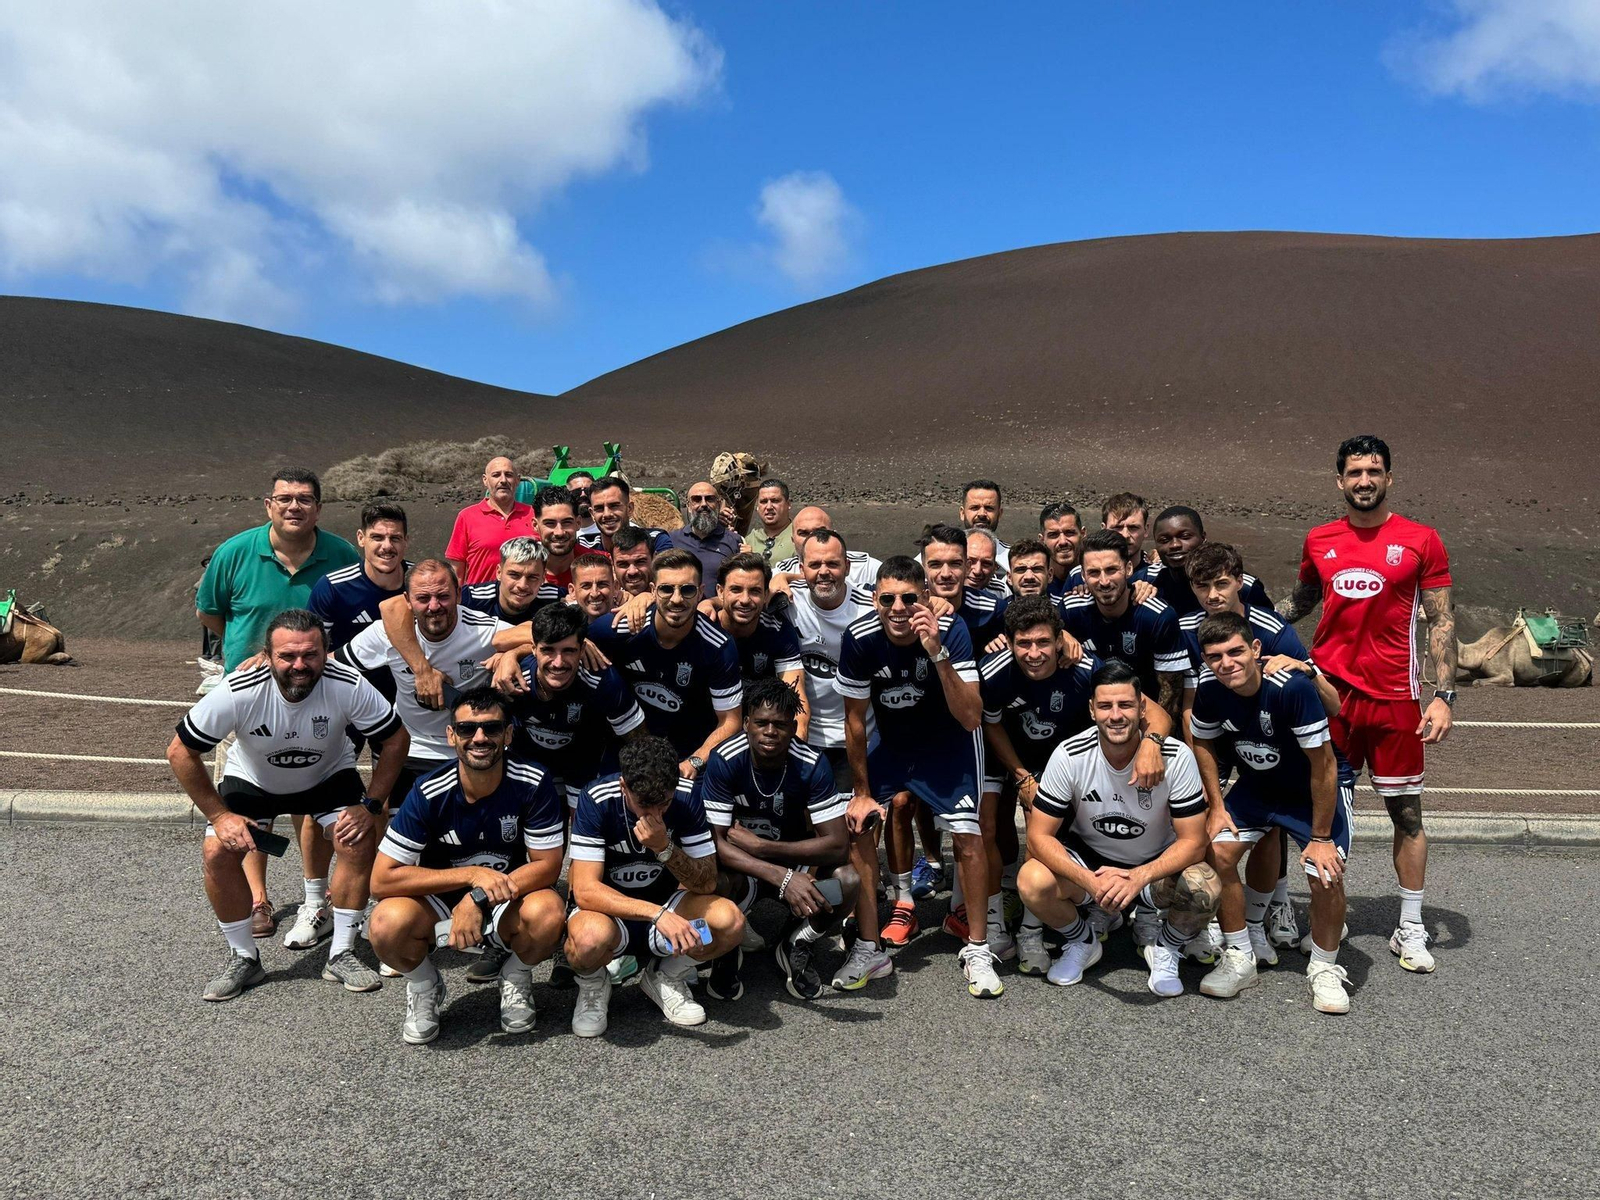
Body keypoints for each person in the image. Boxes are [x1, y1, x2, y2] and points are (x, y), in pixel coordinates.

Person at [1277, 434, 1455, 974]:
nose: (1364, 481)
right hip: (1330, 696)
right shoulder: (1319, 538)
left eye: (1373, 471)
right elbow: (1304, 600)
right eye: (1354, 472)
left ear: (1389, 478)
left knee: (1406, 813)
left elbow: (1441, 620)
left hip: (1397, 700)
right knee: (1323, 812)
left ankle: (1412, 926)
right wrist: (1247, 612)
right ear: (1339, 480)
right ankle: (1330, 917)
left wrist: (1444, 696)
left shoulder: (1422, 540)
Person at [167, 609, 408, 1001]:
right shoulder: (240, 687)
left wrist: (372, 805)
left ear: (326, 652)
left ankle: (342, 952)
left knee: (357, 838)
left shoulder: (348, 683)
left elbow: (397, 739)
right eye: (288, 656)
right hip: (255, 781)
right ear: (268, 654)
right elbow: (180, 751)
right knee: (216, 850)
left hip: (327, 775)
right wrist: (219, 815)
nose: (300, 665)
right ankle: (244, 958)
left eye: (310, 655)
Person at [196, 467, 361, 937]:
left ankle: (316, 895)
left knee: (316, 797)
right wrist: (255, 655)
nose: (294, 506)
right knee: (250, 801)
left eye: (305, 499)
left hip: (317, 692)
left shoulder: (340, 554)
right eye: (285, 498)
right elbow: (209, 611)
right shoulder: (234, 553)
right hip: (248, 700)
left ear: (318, 508)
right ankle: (258, 900)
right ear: (268, 504)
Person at [834, 556, 1001, 999]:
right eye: (887, 598)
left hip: (949, 746)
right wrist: (862, 792)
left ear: (926, 599)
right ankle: (870, 947)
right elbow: (854, 721)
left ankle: (979, 949)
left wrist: (935, 652)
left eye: (909, 598)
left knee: (968, 836)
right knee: (859, 824)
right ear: (874, 600)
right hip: (895, 745)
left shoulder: (953, 630)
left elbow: (970, 718)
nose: (898, 607)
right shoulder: (859, 637)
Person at [980, 597, 1176, 970]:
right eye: (1023, 644)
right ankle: (1006, 925)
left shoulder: (1086, 666)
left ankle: (1042, 926)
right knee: (987, 824)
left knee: (1050, 837)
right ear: (1008, 641)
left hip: (1068, 760)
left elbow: (1158, 713)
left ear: (1059, 640)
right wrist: (1021, 775)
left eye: (1042, 643)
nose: (1034, 653)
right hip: (1011, 757)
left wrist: (1152, 743)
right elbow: (990, 723)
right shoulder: (993, 672)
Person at [367, 688, 567, 1043]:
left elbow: (548, 867)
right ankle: (425, 984)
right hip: (442, 899)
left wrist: (476, 898)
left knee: (549, 911)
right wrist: (471, 876)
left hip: (506, 896)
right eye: (466, 729)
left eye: (491, 728)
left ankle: (517, 977)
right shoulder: (428, 790)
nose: (479, 738)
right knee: (384, 923)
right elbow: (381, 881)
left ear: (507, 734)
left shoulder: (534, 782)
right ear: (451, 735)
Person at [1018, 661, 1218, 997]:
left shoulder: (1177, 756)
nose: (1116, 715)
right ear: (1092, 709)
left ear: (1142, 708)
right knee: (1031, 879)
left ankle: (1165, 947)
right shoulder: (1069, 754)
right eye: (1106, 706)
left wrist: (1140, 876)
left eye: (1125, 705)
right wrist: (1091, 882)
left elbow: (1194, 843)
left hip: (1152, 870)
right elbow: (1039, 838)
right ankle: (1082, 940)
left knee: (1205, 885)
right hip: (1091, 865)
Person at [1188, 612, 1357, 1013]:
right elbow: (1203, 744)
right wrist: (1215, 805)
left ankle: (1325, 968)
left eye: (1235, 652)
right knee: (1216, 853)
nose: (1226, 663)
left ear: (1256, 650)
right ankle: (1239, 956)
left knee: (1324, 874)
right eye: (1215, 657)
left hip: (1310, 790)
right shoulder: (1210, 688)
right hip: (1259, 788)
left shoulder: (1292, 687)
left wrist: (1319, 839)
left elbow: (1325, 765)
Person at [1179, 541, 1338, 958]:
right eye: (1202, 587)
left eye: (1221, 584)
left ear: (1239, 583)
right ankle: (1233, 928)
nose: (1212, 595)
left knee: (1278, 835)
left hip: (1287, 743)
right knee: (1219, 835)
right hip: (1229, 732)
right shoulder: (1191, 629)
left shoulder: (1275, 631)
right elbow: (1196, 698)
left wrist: (1309, 668)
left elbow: (1326, 703)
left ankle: (1272, 909)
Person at [279, 502, 409, 952]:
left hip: (405, 709)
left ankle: (374, 896)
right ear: (361, 539)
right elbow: (317, 657)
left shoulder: (421, 585)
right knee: (315, 799)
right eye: (377, 537)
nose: (386, 546)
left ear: (406, 542)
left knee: (384, 805)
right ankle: (316, 902)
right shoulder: (333, 588)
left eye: (394, 538)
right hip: (345, 708)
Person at [565, 737, 746, 1034]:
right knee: (586, 941)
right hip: (610, 913)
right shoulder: (596, 798)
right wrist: (656, 914)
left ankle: (666, 975)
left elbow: (707, 881)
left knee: (729, 922)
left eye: (664, 803)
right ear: (624, 786)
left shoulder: (687, 796)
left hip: (669, 907)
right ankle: (594, 983)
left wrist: (664, 848)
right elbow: (585, 890)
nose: (655, 815)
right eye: (644, 804)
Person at [701, 679, 858, 1000]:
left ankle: (796, 941)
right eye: (761, 723)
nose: (770, 731)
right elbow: (713, 843)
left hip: (794, 865)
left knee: (848, 879)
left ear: (793, 726)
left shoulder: (812, 763)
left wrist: (766, 849)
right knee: (711, 877)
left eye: (780, 724)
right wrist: (780, 876)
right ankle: (726, 947)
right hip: (743, 871)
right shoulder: (725, 758)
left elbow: (838, 844)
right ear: (746, 724)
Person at [338, 560, 505, 800]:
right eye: (423, 598)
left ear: (459, 594)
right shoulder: (386, 633)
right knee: (375, 820)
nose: (434, 606)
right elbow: (331, 664)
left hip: (468, 747)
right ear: (407, 600)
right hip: (411, 747)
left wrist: (511, 654)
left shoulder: (484, 631)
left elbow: (535, 636)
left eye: (443, 596)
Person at [910, 524, 1009, 904]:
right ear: (924, 566)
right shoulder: (906, 604)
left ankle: (977, 908)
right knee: (910, 801)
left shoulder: (992, 608)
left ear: (968, 566)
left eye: (956, 563)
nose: (946, 573)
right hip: (923, 722)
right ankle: (932, 862)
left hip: (976, 727)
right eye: (936, 564)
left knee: (981, 828)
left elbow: (1032, 635)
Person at [585, 549, 743, 780]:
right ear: (652, 591)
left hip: (685, 759)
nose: (677, 599)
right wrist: (513, 655)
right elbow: (551, 641)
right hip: (624, 753)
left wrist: (695, 762)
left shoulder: (719, 646)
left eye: (687, 590)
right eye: (667, 589)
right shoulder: (618, 628)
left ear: (700, 593)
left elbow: (730, 720)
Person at [505, 603, 645, 809]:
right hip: (527, 766)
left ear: (582, 650)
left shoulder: (603, 681)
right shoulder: (511, 681)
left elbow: (639, 742)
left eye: (568, 651)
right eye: (548, 650)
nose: (558, 662)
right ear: (533, 649)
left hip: (583, 766)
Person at [1060, 530, 1187, 721]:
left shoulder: (1158, 617)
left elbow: (1171, 693)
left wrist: (1153, 735)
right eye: (1094, 572)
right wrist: (1060, 633)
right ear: (1083, 576)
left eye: (1111, 570)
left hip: (1145, 715)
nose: (1104, 581)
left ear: (1128, 569)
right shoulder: (1071, 610)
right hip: (1092, 715)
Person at [784, 529, 876, 789]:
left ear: (847, 567)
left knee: (857, 820)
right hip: (802, 735)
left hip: (856, 739)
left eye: (833, 564)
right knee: (806, 824)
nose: (823, 571)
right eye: (814, 564)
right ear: (802, 569)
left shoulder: (870, 611)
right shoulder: (787, 602)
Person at [714, 553, 808, 734]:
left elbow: (798, 705)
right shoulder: (705, 628)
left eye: (755, 591)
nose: (745, 600)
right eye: (736, 589)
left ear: (766, 595)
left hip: (761, 736)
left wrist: (794, 754)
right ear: (720, 592)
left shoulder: (778, 631)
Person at [1148, 505, 1272, 618]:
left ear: (1203, 538)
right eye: (1164, 540)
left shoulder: (1243, 586)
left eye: (1185, 537)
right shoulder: (1147, 581)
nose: (1175, 545)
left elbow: (1270, 627)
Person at [445, 456, 536, 586]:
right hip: (479, 600)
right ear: (485, 480)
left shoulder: (534, 515)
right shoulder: (467, 517)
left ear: (517, 480)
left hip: (524, 596)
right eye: (496, 475)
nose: (503, 480)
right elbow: (457, 572)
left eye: (509, 475)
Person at [773, 506, 883, 591]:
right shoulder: (782, 570)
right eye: (803, 533)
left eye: (819, 531)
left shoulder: (866, 568)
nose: (812, 538)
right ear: (793, 540)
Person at [460, 537, 562, 623]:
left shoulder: (557, 599)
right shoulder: (469, 599)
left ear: (543, 577)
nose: (522, 585)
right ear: (499, 572)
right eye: (514, 575)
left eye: (532, 577)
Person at [669, 481, 742, 590]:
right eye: (697, 499)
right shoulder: (671, 540)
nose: (703, 504)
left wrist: (713, 602)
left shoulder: (734, 541)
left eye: (709, 499)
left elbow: (739, 586)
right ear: (688, 506)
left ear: (718, 504)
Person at [578, 474, 674, 556]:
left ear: (630, 509)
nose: (607, 514)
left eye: (614, 506)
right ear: (592, 514)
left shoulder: (655, 540)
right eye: (599, 508)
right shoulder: (584, 546)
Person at [532, 485, 582, 593]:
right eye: (550, 523)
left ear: (578, 523)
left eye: (567, 522)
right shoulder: (522, 572)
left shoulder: (601, 563)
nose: (559, 532)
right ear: (535, 525)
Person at [958, 479, 1010, 570]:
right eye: (975, 508)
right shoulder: (939, 555)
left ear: (999, 514)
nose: (982, 514)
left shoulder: (1012, 557)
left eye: (989, 508)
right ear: (962, 513)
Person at [1039, 501, 1085, 602]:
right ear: (1042, 540)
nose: (1063, 542)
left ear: (1082, 534)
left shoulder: (1099, 578)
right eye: (1053, 535)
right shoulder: (1035, 583)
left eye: (1069, 533)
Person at [752, 479, 797, 567]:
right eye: (764, 502)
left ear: (788, 504)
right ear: (757, 507)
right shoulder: (749, 540)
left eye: (775, 501)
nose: (769, 507)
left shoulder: (800, 535)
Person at [610, 524, 658, 600]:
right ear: (612, 564)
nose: (632, 572)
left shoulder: (673, 598)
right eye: (623, 564)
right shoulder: (605, 603)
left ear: (655, 559)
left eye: (640, 562)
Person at [568, 552, 619, 617]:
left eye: (602, 584)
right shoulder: (563, 621)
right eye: (586, 586)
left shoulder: (631, 620)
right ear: (572, 591)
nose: (595, 594)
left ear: (615, 587)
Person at [966, 527, 1004, 594]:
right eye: (971, 562)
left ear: (994, 568)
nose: (977, 571)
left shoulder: (1002, 592)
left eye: (986, 564)